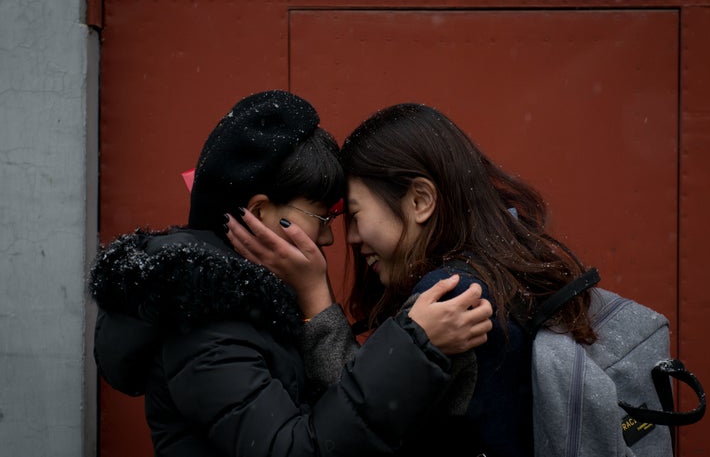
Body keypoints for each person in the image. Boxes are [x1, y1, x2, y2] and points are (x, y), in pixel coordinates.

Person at [90, 90, 494, 457]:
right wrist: (413, 344)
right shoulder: (205, 326)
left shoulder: (242, 306)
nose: (330, 239)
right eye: (322, 216)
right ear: (262, 213)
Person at [226, 102, 597, 457]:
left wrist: (314, 296)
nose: (349, 238)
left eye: (354, 215)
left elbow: (358, 416)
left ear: (420, 200)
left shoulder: (450, 295)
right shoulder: (493, 271)